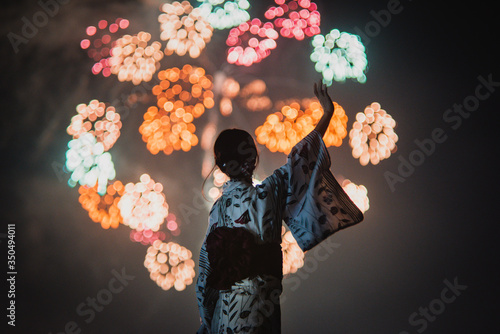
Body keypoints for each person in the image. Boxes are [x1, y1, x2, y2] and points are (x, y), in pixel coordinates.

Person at [196, 81, 364, 333]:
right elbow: (302, 157)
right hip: (262, 308)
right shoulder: (269, 191)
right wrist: (327, 114)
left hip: (224, 313)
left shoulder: (217, 210)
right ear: (253, 158)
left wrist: (206, 323)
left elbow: (205, 274)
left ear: (222, 167)